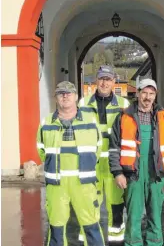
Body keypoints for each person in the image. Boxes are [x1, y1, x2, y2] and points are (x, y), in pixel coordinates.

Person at [109, 78, 164, 246]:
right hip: (133, 175)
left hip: (157, 174)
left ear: (155, 96)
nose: (148, 97)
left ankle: (155, 243)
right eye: (145, 93)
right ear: (138, 93)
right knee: (133, 216)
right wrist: (118, 172)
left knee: (156, 215)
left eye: (152, 93)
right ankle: (133, 243)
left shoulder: (163, 118)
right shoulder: (124, 116)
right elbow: (114, 148)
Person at [37, 81, 105, 246]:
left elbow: (98, 148)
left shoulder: (90, 121)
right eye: (61, 93)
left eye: (69, 93)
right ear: (56, 98)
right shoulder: (46, 123)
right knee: (56, 229)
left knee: (91, 227)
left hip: (84, 184)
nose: (65, 96)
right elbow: (41, 151)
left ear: (76, 97)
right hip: (57, 185)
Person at [79, 65, 129, 245]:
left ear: (114, 82)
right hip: (90, 165)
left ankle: (116, 242)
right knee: (88, 206)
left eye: (108, 79)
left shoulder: (124, 105)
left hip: (114, 166)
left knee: (116, 208)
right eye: (101, 79)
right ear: (95, 81)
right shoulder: (83, 103)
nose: (104, 82)